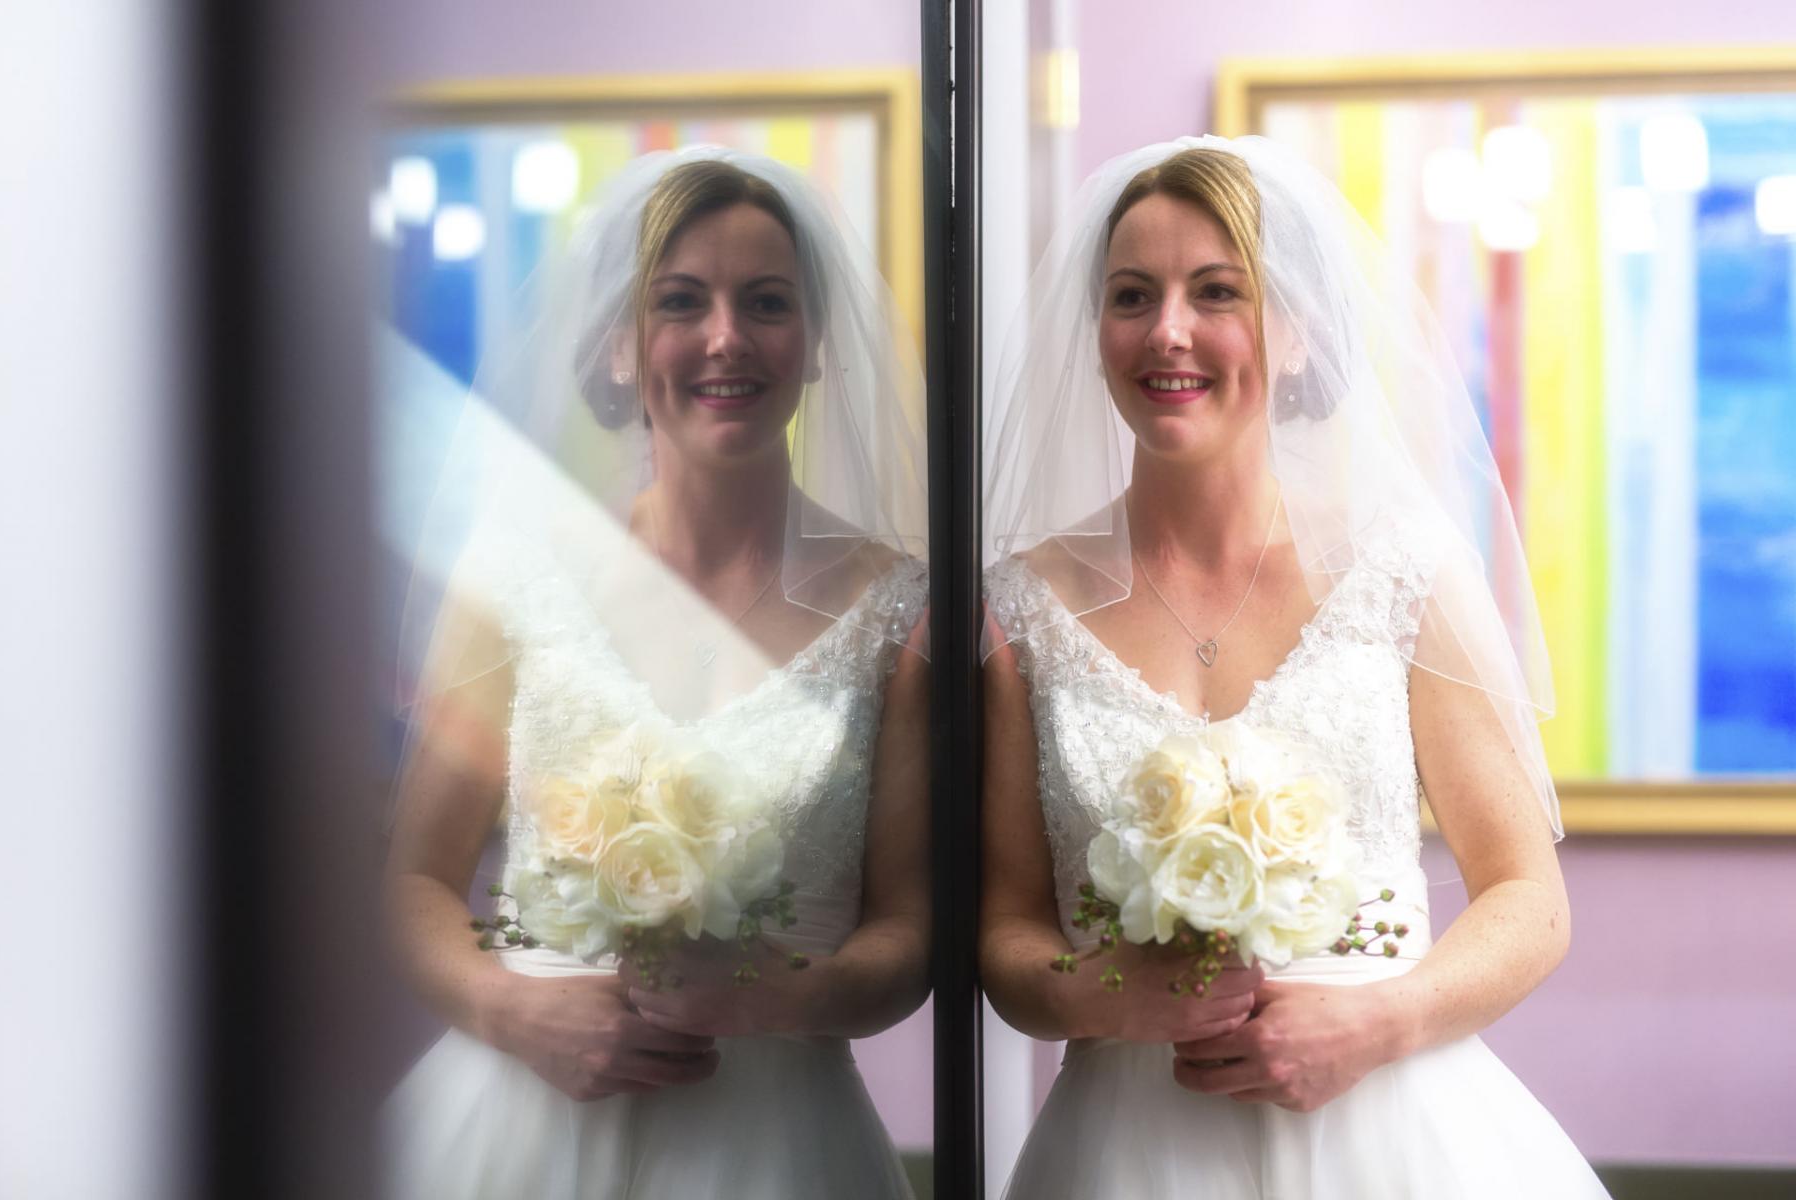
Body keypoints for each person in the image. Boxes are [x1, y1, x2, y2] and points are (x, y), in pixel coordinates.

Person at [980, 135, 1610, 1197]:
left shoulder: (1400, 571)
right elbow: (1005, 933)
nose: (1167, 330)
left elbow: (1528, 898)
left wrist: (1379, 1021)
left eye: (1216, 291)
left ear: (1301, 333)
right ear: (1097, 333)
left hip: (1396, 1133)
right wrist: (1106, 995)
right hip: (1130, 1147)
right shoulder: (1020, 610)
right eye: (1132, 296)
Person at [382, 147, 930, 1199]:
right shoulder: (518, 578)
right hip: (521, 1121)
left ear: (814, 341)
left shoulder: (898, 609)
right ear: (623, 347)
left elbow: (908, 937)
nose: (726, 337)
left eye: (767, 302)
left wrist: (774, 996)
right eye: (681, 302)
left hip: (776, 1142)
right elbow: (415, 880)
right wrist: (512, 1009)